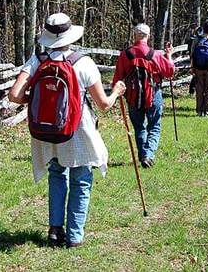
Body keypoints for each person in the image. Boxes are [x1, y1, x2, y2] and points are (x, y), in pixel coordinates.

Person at [8, 13, 126, 248]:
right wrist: (116, 92)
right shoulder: (83, 62)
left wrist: (35, 101)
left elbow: (14, 95)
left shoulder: (38, 60)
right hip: (77, 130)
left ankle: (54, 231)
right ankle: (74, 236)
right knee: (81, 179)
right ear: (70, 36)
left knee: (57, 175)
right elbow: (103, 104)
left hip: (47, 130)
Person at [112, 23, 175, 169]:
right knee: (154, 125)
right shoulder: (156, 54)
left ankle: (143, 155)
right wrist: (169, 55)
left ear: (135, 35)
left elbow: (117, 79)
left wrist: (118, 93)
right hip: (154, 94)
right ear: (148, 36)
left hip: (133, 96)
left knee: (139, 127)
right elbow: (170, 72)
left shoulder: (125, 55)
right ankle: (148, 155)